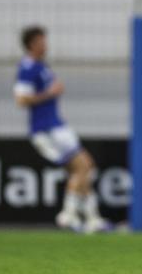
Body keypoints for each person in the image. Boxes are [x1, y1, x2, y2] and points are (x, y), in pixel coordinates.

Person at [13, 26, 109, 233]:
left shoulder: (40, 65)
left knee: (84, 168)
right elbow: (21, 99)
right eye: (41, 41)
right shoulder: (28, 67)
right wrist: (50, 92)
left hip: (56, 126)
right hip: (47, 129)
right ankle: (69, 214)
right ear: (32, 44)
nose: (45, 45)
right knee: (84, 167)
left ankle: (92, 219)